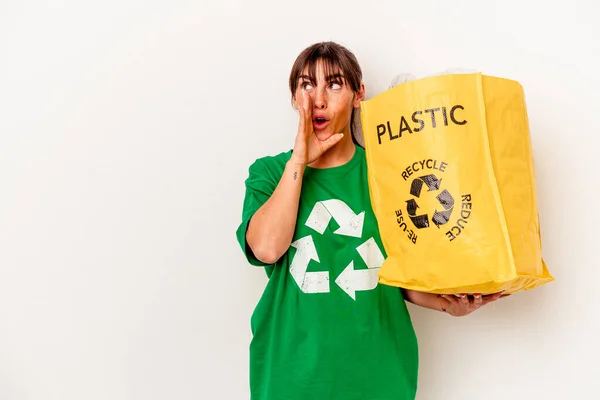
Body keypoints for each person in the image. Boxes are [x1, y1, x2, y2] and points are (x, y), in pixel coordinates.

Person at [235, 41, 505, 400]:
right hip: (291, 377)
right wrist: (299, 161)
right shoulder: (269, 173)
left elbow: (396, 274)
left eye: (334, 84)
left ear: (359, 94)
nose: (318, 98)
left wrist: (448, 303)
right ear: (293, 98)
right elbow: (267, 248)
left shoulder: (389, 171)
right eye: (306, 84)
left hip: (379, 376)